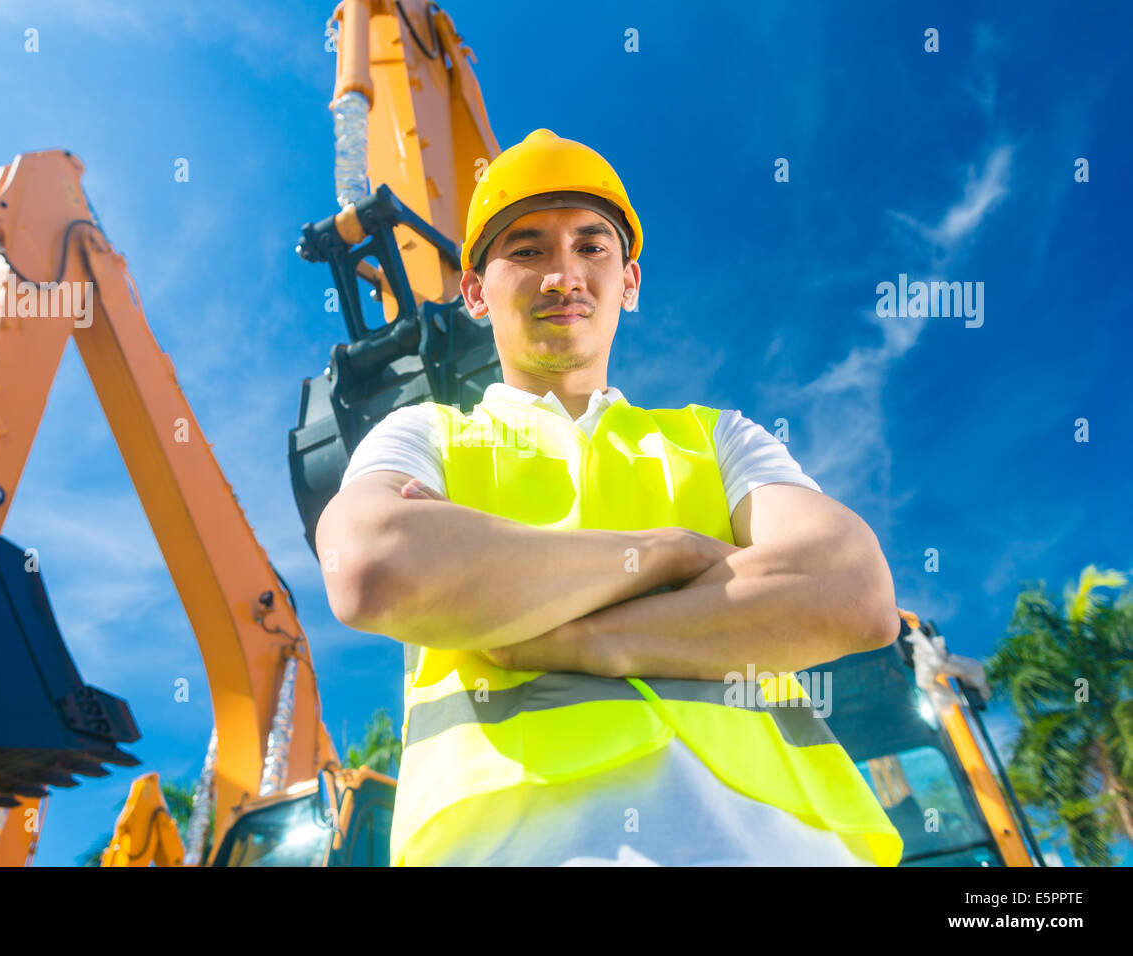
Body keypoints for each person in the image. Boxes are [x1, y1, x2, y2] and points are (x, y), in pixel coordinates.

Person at [317, 128, 903, 867]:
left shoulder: (718, 437)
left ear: (629, 282)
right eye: (526, 250)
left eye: (592, 247)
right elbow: (370, 565)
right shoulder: (424, 434)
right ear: (472, 292)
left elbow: (854, 592)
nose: (564, 276)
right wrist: (673, 552)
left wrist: (583, 638)